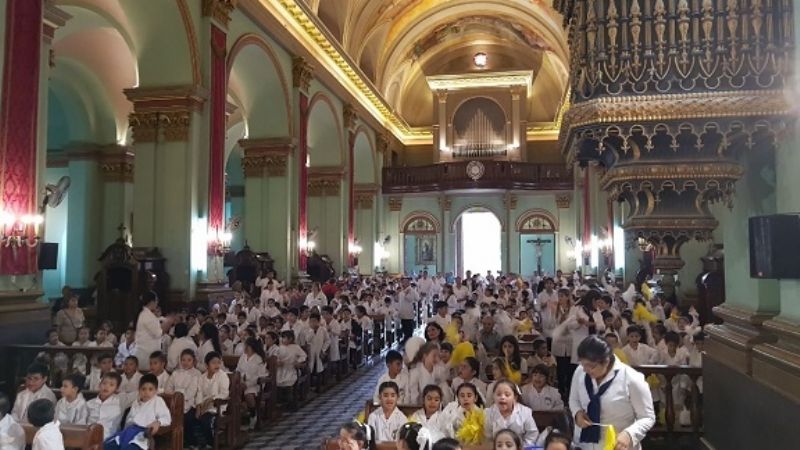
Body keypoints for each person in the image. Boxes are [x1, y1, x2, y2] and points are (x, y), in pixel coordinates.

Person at [569, 336, 655, 450]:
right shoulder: (580, 371)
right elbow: (573, 399)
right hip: (583, 444)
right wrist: (577, 413)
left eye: (591, 366)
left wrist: (629, 434)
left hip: (617, 445)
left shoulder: (632, 378)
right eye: (583, 364)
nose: (586, 370)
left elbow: (647, 417)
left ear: (606, 361)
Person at [105, 374, 171, 450]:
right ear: (139, 390)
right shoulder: (136, 402)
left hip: (143, 433)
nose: (146, 392)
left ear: (155, 391)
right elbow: (129, 420)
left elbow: (166, 417)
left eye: (150, 389)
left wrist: (158, 423)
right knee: (107, 446)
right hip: (128, 431)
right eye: (143, 389)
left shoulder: (158, 400)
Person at [192, 352, 230, 448]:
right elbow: (199, 393)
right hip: (204, 405)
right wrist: (198, 406)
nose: (217, 365)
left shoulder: (222, 376)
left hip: (217, 407)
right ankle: (197, 442)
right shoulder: (202, 377)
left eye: (218, 362)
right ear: (206, 365)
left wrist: (212, 400)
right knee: (190, 417)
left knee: (206, 420)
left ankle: (212, 443)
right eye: (213, 363)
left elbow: (225, 393)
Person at [484, 380, 539, 446]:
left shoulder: (525, 412)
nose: (502, 397)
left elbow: (532, 434)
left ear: (515, 397)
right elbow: (487, 437)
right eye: (498, 394)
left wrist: (522, 447)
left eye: (507, 395)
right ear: (493, 396)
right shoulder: (489, 413)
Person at [236, 338, 267, 430]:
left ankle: (253, 415)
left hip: (255, 384)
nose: (244, 348)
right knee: (233, 393)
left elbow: (260, 375)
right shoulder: (243, 357)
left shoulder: (258, 358)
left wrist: (248, 383)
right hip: (242, 382)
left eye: (246, 346)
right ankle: (237, 419)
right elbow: (238, 370)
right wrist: (241, 380)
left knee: (248, 394)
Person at [134, 292, 166, 371]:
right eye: (156, 301)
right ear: (152, 302)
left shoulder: (146, 314)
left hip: (147, 353)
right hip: (146, 354)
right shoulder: (147, 316)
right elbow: (158, 333)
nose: (157, 303)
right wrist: (167, 324)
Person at [87, 373, 123, 439]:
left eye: (111, 385)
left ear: (116, 388)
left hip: (109, 437)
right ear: (99, 385)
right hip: (88, 436)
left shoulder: (120, 402)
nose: (106, 387)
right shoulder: (89, 403)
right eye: (104, 383)